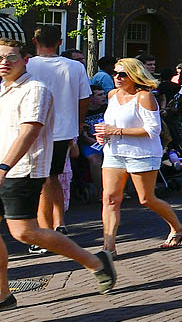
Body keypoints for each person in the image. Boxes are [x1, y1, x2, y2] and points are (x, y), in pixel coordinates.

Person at [0, 43, 117, 308]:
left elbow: (28, 132)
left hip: (21, 171)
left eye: (10, 58)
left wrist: (4, 167)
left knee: (24, 232)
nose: (4, 63)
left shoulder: (35, 90)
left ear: (25, 60)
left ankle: (97, 262)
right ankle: (3, 294)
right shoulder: (1, 91)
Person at [95, 58, 182, 255]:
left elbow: (153, 130)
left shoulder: (144, 97)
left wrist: (116, 131)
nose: (117, 78)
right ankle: (108, 248)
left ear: (134, 76)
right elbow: (111, 123)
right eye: (115, 73)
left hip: (141, 154)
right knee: (109, 198)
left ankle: (177, 227)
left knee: (146, 199)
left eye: (122, 74)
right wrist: (103, 134)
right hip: (113, 152)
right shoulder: (112, 95)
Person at [23, 24, 88, 236]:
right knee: (53, 177)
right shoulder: (75, 67)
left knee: (41, 180)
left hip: (35, 129)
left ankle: (44, 230)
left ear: (34, 41)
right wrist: (77, 125)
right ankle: (59, 222)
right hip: (64, 130)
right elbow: (83, 99)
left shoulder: (27, 65)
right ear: (60, 42)